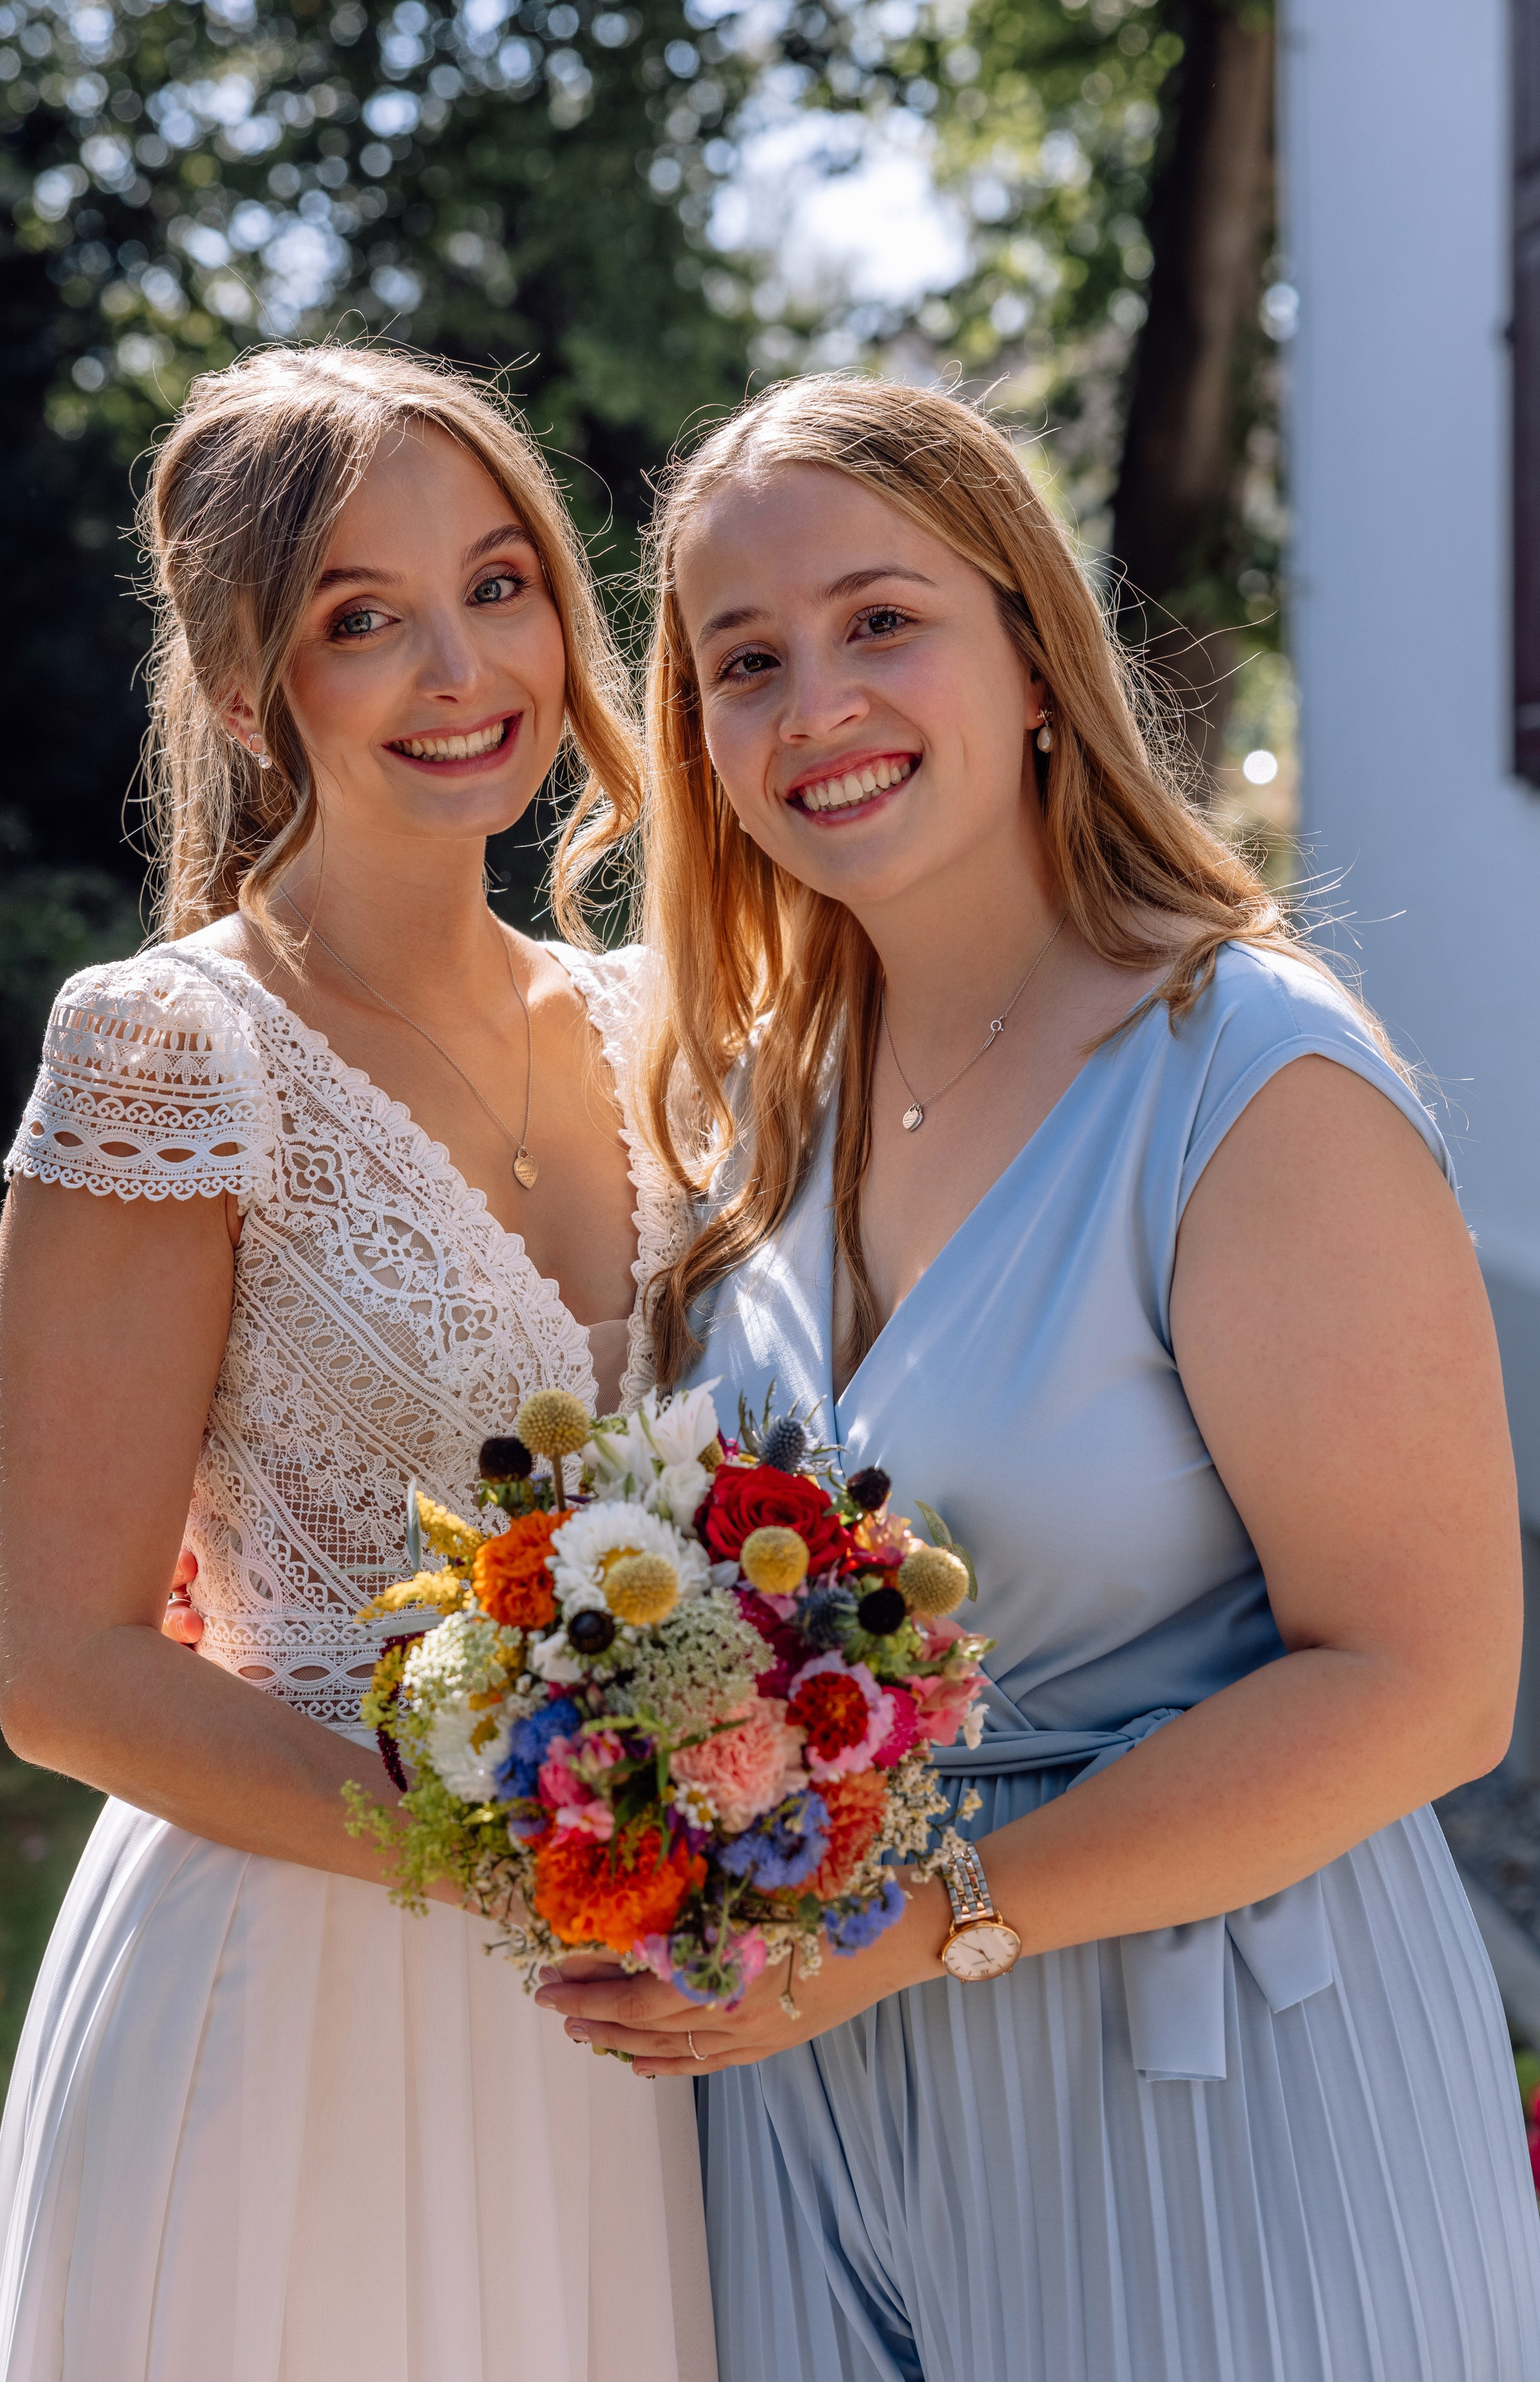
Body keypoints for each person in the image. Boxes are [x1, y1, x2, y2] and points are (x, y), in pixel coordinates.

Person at [535, 373, 1540, 2379]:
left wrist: (929, 1923)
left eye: (882, 620)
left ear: (1035, 658)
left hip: (1223, 2084)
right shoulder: (759, 1111)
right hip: (815, 2113)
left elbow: (1426, 1683)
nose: (815, 698)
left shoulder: (1249, 1081)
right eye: (747, 661)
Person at [0, 345, 712, 2382]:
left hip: (625, 2023)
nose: (463, 665)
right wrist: (507, 1858)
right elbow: (67, 1670)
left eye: (499, 584)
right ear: (243, 689)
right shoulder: (167, 1048)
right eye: (360, 620)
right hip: (296, 1990)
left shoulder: (663, 1022)